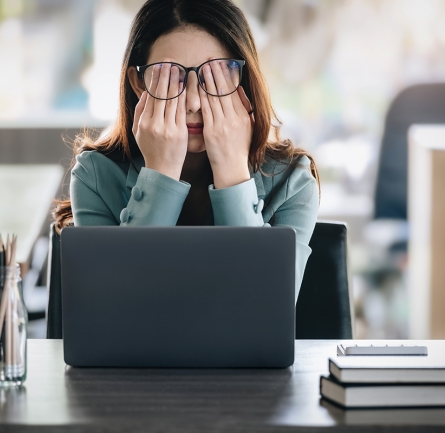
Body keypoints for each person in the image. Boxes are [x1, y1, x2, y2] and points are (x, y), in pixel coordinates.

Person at [53, 0, 319, 300]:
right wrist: (160, 173)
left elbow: (265, 305)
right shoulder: (96, 175)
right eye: (171, 77)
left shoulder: (292, 182)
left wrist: (232, 169)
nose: (193, 102)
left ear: (242, 81)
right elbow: (115, 303)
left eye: (213, 77)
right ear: (139, 84)